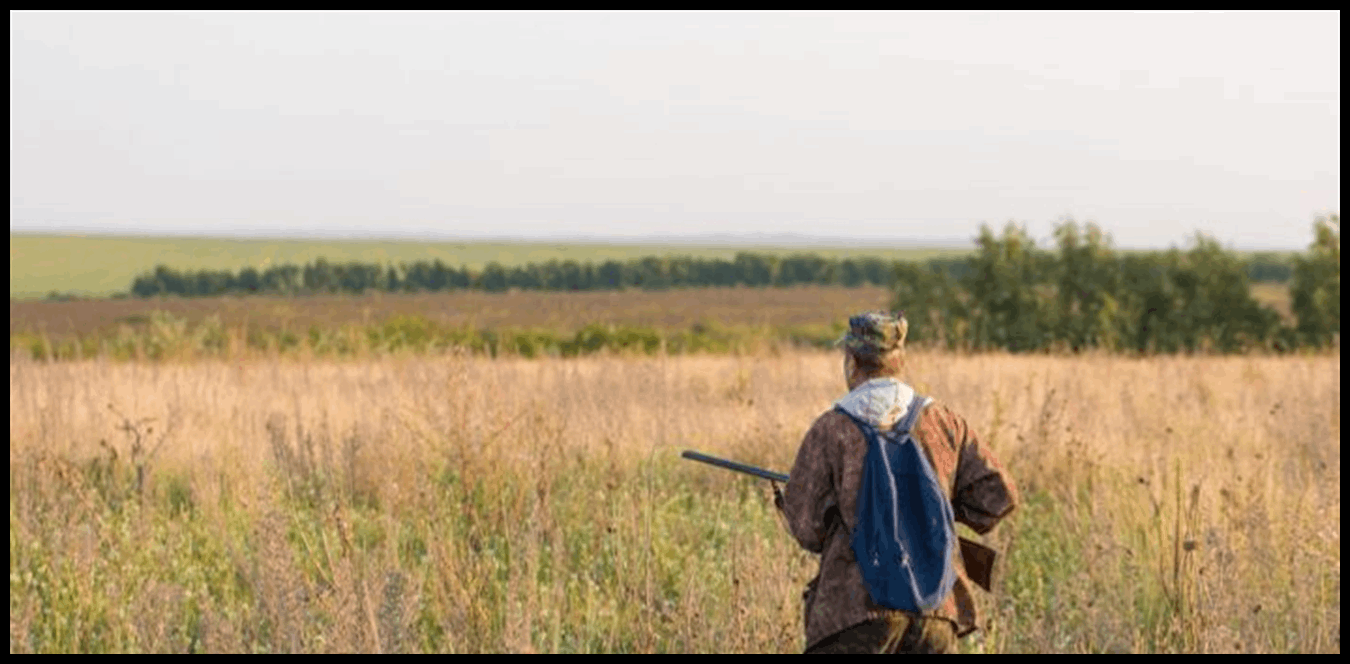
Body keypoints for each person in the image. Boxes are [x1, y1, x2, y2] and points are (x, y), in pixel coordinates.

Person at [778, 311, 1018, 654]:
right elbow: (1000, 495)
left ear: (851, 361)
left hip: (854, 614)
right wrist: (930, 514)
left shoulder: (831, 429)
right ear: (900, 360)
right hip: (937, 611)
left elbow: (806, 528)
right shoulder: (943, 422)